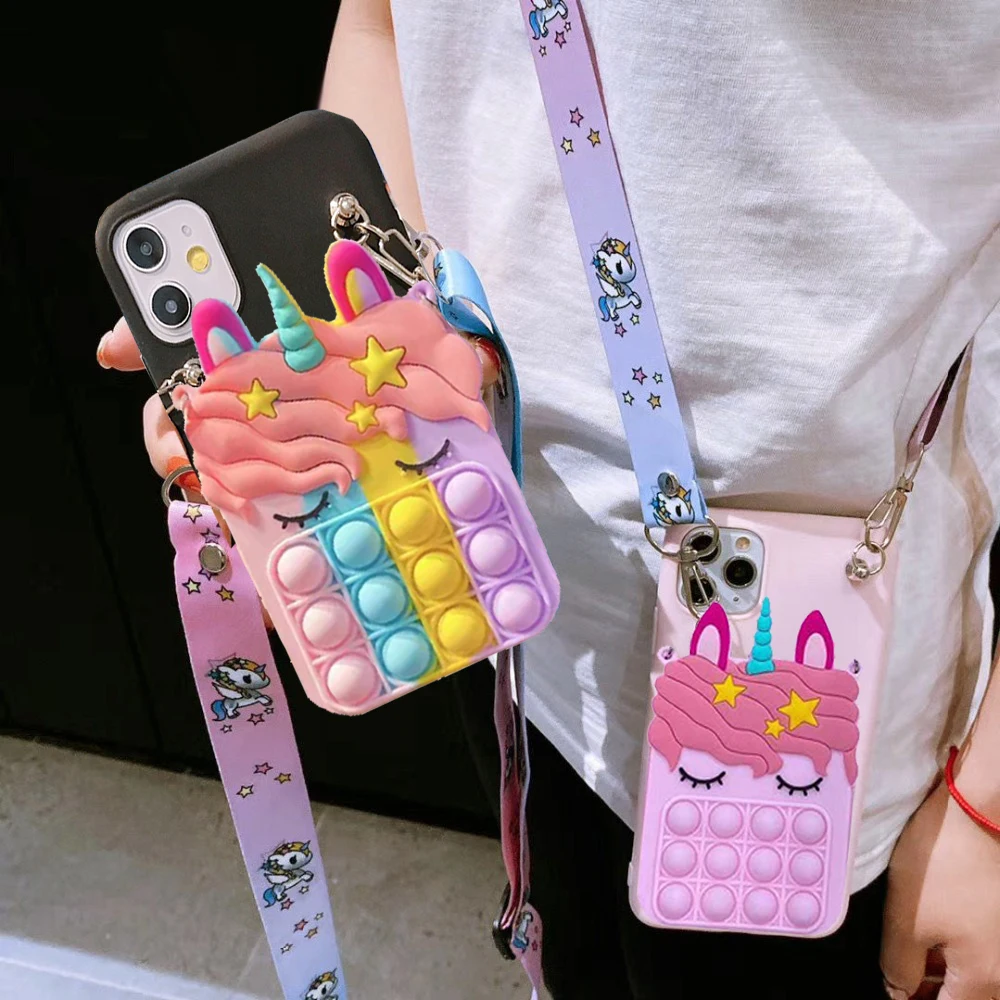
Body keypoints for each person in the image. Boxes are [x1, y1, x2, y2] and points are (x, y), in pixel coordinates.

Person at [98, 3, 1000, 998]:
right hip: (501, 589)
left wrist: (991, 810)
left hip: (829, 717)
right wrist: (331, 378)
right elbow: (386, 25)